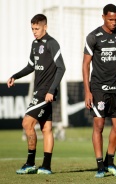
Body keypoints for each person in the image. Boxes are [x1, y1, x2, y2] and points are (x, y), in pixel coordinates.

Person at [7, 14, 66, 174]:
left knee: (27, 124)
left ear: (45, 27)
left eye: (37, 28)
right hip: (39, 90)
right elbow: (30, 66)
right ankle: (46, 167)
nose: (34, 32)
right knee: (46, 128)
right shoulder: (35, 44)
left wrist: (51, 90)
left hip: (45, 91)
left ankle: (30, 163)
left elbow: (61, 67)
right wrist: (15, 76)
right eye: (32, 29)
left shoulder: (52, 43)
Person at [82, 4, 116, 178]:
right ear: (103, 17)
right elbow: (85, 65)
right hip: (98, 89)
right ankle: (100, 166)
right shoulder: (93, 37)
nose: (113, 22)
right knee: (99, 125)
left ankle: (109, 162)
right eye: (110, 19)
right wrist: (87, 91)